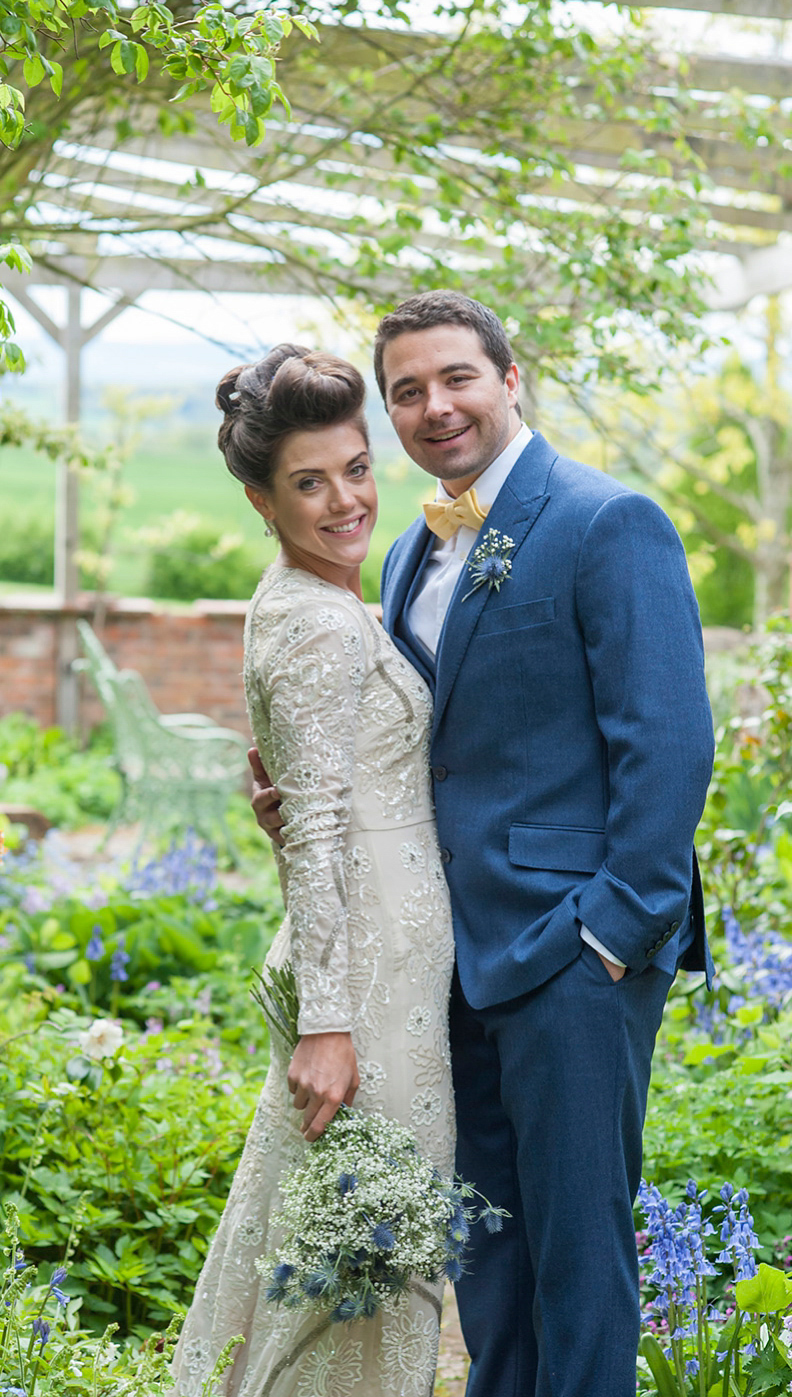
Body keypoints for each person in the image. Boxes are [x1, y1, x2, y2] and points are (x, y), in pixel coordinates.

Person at [252, 292, 715, 1397]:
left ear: (511, 381)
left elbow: (669, 746)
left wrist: (608, 936)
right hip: (449, 961)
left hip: (571, 960)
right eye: (406, 390)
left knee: (576, 1261)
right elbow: (420, 743)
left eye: (455, 377)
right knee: (489, 1264)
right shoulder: (411, 547)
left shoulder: (610, 522)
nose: (434, 406)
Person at [170, 345, 457, 1397]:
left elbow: (320, 799)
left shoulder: (319, 601)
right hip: (370, 991)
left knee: (357, 1249)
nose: (345, 501)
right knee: (358, 1262)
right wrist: (331, 1024)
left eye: (356, 468)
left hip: (395, 965)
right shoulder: (315, 627)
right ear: (260, 497)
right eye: (308, 482)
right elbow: (323, 830)